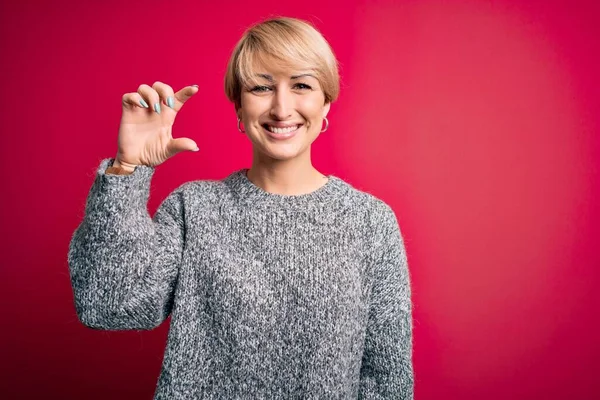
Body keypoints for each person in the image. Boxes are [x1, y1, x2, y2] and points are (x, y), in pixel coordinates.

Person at [68, 16, 414, 399]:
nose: (282, 108)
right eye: (262, 87)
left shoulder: (370, 223)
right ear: (238, 107)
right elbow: (108, 305)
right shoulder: (193, 208)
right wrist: (128, 168)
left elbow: (387, 380)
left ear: (326, 102)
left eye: (301, 85)